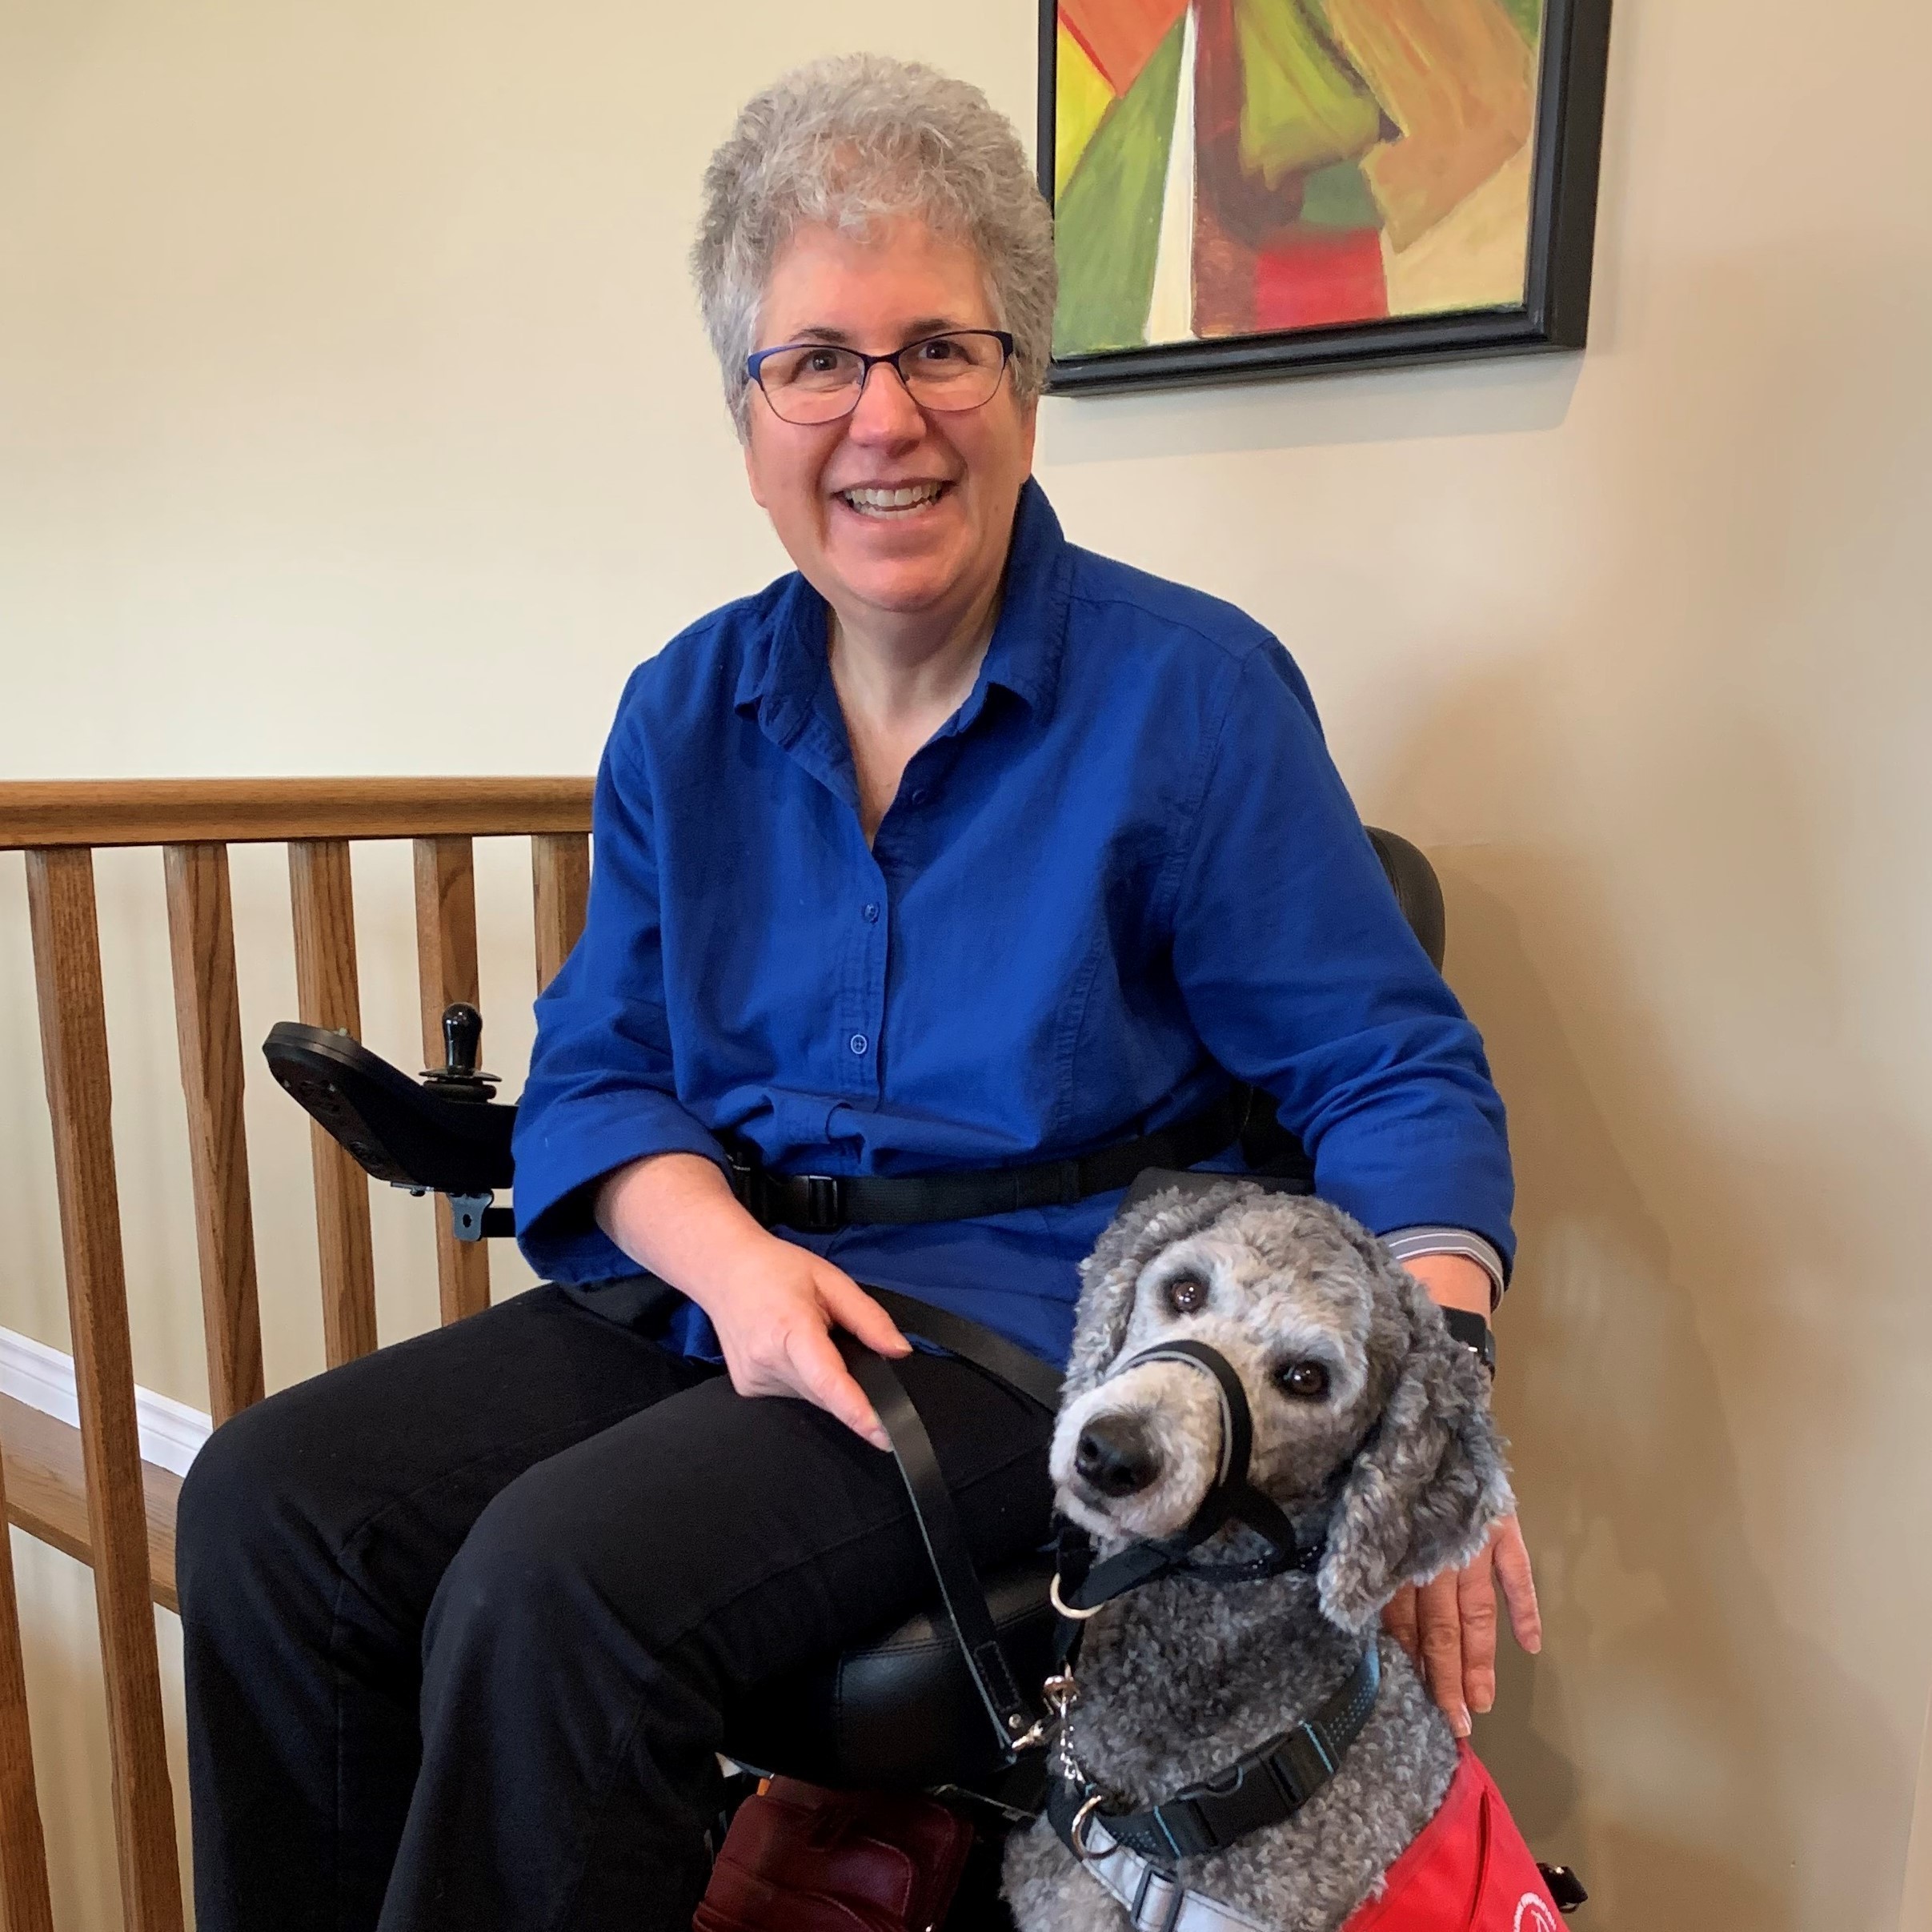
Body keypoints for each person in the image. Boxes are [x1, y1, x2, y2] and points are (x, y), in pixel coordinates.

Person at [176, 53, 1538, 1932]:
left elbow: (1387, 1071)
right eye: (815, 360)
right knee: (269, 1500)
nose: (879, 418)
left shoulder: (1194, 698)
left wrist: (1431, 1392)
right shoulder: (683, 706)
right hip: (712, 1279)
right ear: (748, 412)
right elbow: (604, 1071)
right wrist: (728, 1271)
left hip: (1007, 1324)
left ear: (1023, 381)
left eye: (937, 351)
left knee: (554, 1581)